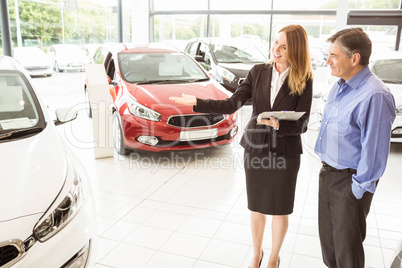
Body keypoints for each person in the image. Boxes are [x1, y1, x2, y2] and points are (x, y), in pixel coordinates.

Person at [170, 24, 313, 268]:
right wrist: (197, 102)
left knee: (280, 209)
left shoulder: (304, 78)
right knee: (257, 206)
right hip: (255, 148)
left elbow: (303, 122)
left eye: (284, 46)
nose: (275, 49)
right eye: (276, 42)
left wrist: (279, 125)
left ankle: (273, 258)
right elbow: (231, 103)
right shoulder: (258, 71)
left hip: (286, 153)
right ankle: (256, 254)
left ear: (296, 50)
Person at [314, 28, 396, 268]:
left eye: (334, 56)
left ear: (355, 58)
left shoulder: (375, 95)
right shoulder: (340, 85)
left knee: (347, 255)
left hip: (349, 184)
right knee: (330, 251)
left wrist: (356, 192)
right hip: (327, 176)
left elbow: (375, 152)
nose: (328, 61)